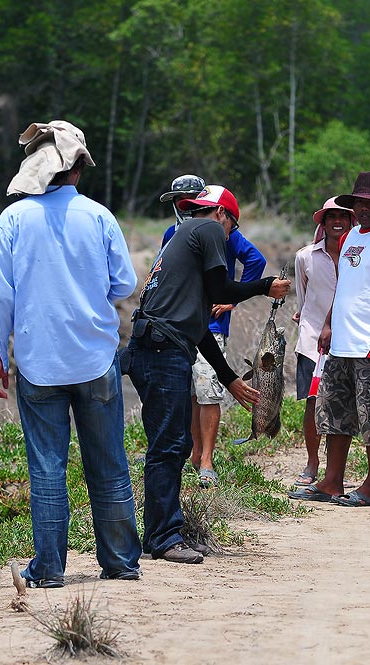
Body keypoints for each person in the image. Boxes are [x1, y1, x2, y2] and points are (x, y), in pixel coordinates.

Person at [0, 120, 142, 587]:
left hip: (38, 363)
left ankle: (49, 570)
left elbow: (0, 294)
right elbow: (125, 284)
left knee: (48, 469)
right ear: (77, 168)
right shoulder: (98, 216)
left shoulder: (13, 219)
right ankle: (119, 563)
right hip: (95, 359)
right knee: (109, 462)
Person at [126, 184, 291, 564]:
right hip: (161, 348)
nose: (229, 235)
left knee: (173, 445)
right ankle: (164, 539)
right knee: (168, 447)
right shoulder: (210, 229)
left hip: (153, 344)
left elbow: (199, 323)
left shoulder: (184, 235)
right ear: (224, 215)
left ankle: (162, 533)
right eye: (232, 226)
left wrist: (230, 377)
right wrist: (264, 286)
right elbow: (221, 288)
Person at [289, 171, 370, 507]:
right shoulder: (350, 237)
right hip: (342, 341)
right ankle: (332, 481)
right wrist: (328, 324)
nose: (364, 208)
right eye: (359, 202)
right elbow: (344, 286)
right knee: (336, 413)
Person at [160, 178, 266, 488]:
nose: (186, 205)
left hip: (210, 325)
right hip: (179, 325)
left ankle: (206, 459)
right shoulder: (173, 233)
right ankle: (191, 454)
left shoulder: (223, 233)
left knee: (207, 390)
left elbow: (255, 259)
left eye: (191, 198)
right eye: (180, 200)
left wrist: (231, 298)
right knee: (188, 392)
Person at [290, 197, 356, 486]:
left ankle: (333, 469)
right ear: (323, 222)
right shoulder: (305, 256)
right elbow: (304, 301)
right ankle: (312, 462)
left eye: (343, 217)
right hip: (312, 340)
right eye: (332, 217)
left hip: (349, 340)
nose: (337, 222)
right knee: (312, 402)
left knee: (342, 405)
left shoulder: (357, 255)